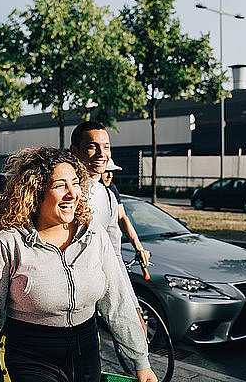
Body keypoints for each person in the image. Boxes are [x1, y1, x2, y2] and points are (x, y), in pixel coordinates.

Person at [0, 147, 156, 382]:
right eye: (60, 185)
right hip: (30, 356)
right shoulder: (6, 243)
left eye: (75, 183)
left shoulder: (94, 235)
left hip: (86, 352)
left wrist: (141, 362)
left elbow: (116, 302)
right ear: (35, 192)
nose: (72, 194)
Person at [70, 121, 149, 333]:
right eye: (92, 146)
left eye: (106, 147)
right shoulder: (66, 193)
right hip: (72, 299)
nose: (101, 153)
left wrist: (131, 303)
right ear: (74, 151)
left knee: (136, 327)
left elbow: (114, 244)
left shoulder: (108, 195)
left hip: (104, 277)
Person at [100, 158, 147, 259]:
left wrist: (139, 248)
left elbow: (122, 217)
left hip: (113, 249)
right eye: (106, 172)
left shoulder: (111, 188)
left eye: (112, 172)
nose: (110, 176)